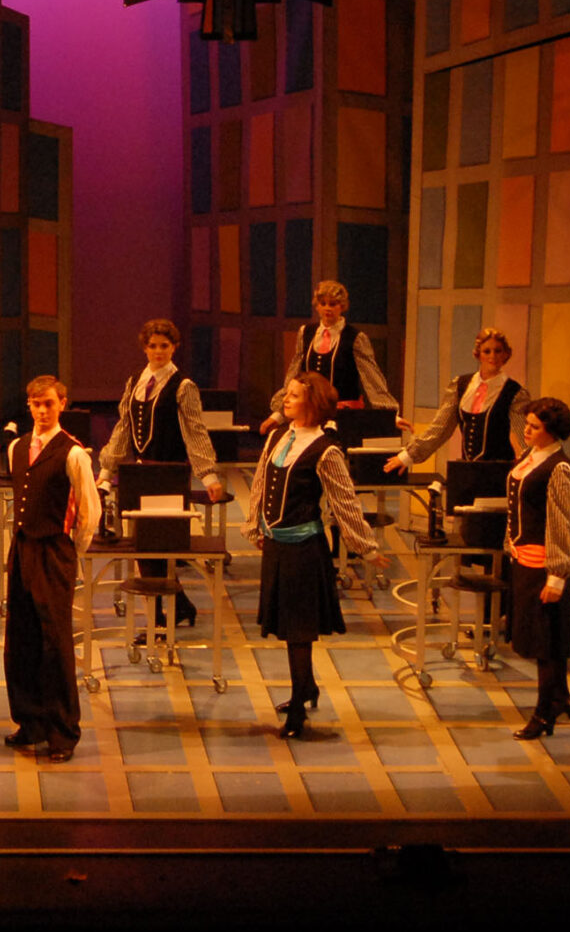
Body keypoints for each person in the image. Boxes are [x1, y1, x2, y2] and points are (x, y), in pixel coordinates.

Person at [247, 371, 381, 740]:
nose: (285, 400)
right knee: (288, 628)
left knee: (299, 631)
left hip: (304, 550)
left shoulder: (326, 449)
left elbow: (344, 501)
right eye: (286, 394)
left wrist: (365, 546)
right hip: (277, 545)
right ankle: (305, 688)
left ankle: (298, 707)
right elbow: (260, 483)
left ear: (312, 403)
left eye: (292, 395)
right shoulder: (278, 435)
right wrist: (256, 526)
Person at [98, 318, 226, 632]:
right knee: (142, 547)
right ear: (144, 347)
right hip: (139, 476)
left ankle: (160, 618)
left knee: (157, 546)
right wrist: (106, 470)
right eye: (153, 346)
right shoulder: (135, 381)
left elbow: (195, 432)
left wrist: (209, 476)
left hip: (169, 476)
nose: (158, 351)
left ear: (174, 348)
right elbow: (123, 428)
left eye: (164, 346)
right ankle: (177, 607)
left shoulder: (183, 386)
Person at [1, 375, 99, 762]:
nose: (42, 411)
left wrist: (70, 551)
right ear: (29, 405)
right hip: (23, 547)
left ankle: (62, 731)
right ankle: (31, 722)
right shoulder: (17, 447)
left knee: (55, 641)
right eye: (36, 404)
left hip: (54, 549)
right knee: (21, 636)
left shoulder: (73, 453)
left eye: (49, 404)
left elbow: (89, 512)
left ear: (62, 405)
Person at [504, 397, 570, 740]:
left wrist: (557, 576)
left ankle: (543, 713)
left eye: (534, 426)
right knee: (546, 639)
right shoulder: (530, 455)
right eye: (528, 424)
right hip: (523, 560)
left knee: (545, 645)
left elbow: (562, 524)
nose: (527, 430)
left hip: (543, 566)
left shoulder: (558, 468)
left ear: (551, 431)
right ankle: (561, 697)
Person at [259, 280, 399, 435]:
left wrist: (390, 416)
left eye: (333, 304)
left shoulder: (355, 337)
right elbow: (293, 377)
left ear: (342, 306)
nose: (327, 308)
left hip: (343, 418)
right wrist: (278, 415)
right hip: (311, 417)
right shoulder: (306, 333)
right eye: (323, 303)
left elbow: (372, 380)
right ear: (317, 306)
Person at [400, 326, 529, 471]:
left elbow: (526, 436)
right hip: (467, 470)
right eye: (487, 351)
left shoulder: (514, 392)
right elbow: (440, 428)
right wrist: (407, 456)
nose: (492, 356)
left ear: (505, 354)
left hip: (499, 471)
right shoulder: (460, 386)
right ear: (478, 354)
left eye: (498, 351)